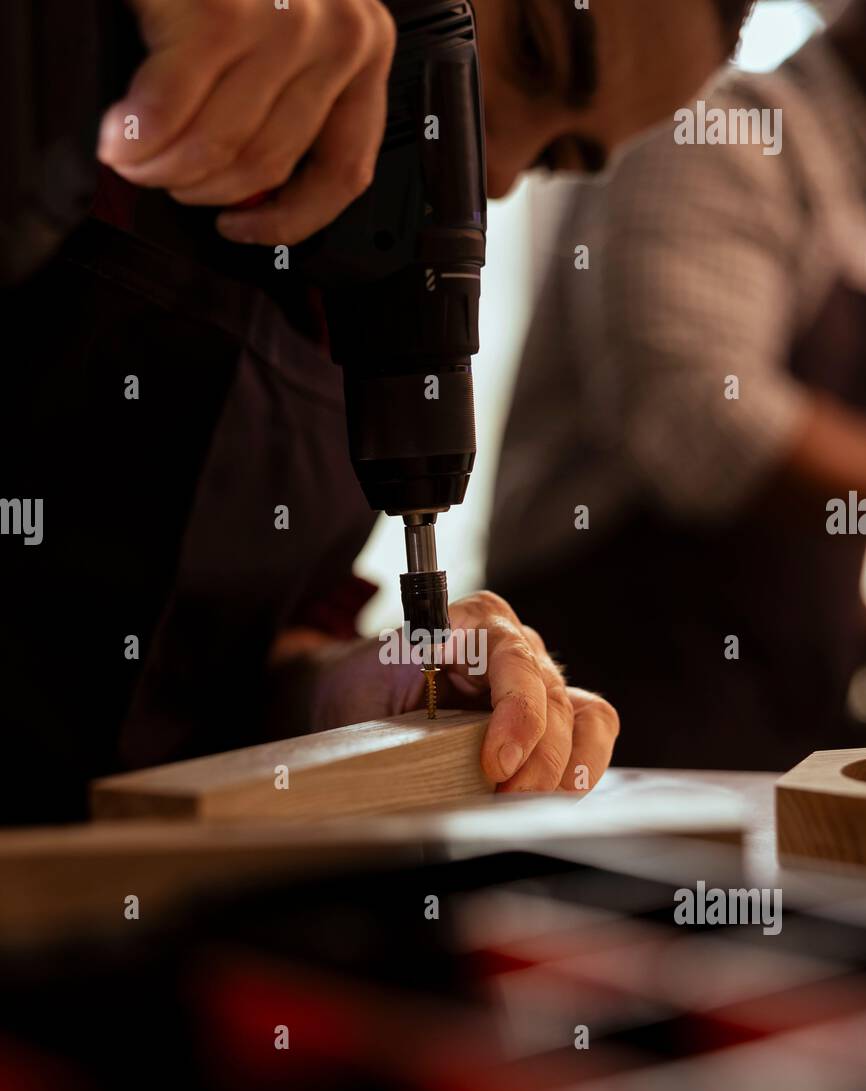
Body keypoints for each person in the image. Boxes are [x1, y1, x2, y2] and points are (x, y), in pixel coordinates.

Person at [1, 0, 750, 824]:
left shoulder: (353, 301)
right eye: (531, 51)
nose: (498, 176)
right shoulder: (79, 65)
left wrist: (354, 693)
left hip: (92, 904)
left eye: (557, 156)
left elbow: (221, 662)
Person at [488, 1, 866, 771]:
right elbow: (702, 417)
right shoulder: (728, 131)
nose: (495, 178)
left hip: (775, 704)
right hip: (618, 692)